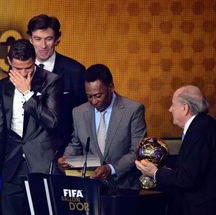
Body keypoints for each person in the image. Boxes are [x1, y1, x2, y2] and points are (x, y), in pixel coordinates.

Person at [0, 39, 63, 215]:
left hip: (40, 164)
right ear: (9, 62)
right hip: (11, 165)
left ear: (34, 60)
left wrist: (28, 94)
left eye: (27, 68)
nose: (22, 73)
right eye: (17, 68)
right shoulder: (2, 86)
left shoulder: (51, 81)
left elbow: (52, 122)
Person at [58, 64, 147, 191]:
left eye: (98, 96)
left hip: (124, 186)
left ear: (111, 87)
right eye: (89, 96)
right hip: (90, 187)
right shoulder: (79, 112)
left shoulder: (133, 110)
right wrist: (66, 159)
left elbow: (137, 151)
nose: (94, 101)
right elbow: (76, 144)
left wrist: (111, 168)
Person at [135, 85, 216, 215]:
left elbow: (187, 178)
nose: (170, 109)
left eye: (173, 105)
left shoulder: (198, 131)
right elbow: (190, 163)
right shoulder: (203, 125)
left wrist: (155, 172)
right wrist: (162, 161)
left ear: (185, 108)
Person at [27, 14, 87, 152]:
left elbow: (83, 116)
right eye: (38, 39)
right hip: (26, 152)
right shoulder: (20, 69)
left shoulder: (75, 70)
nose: (43, 45)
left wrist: (71, 150)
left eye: (49, 39)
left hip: (62, 151)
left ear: (57, 40)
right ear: (30, 39)